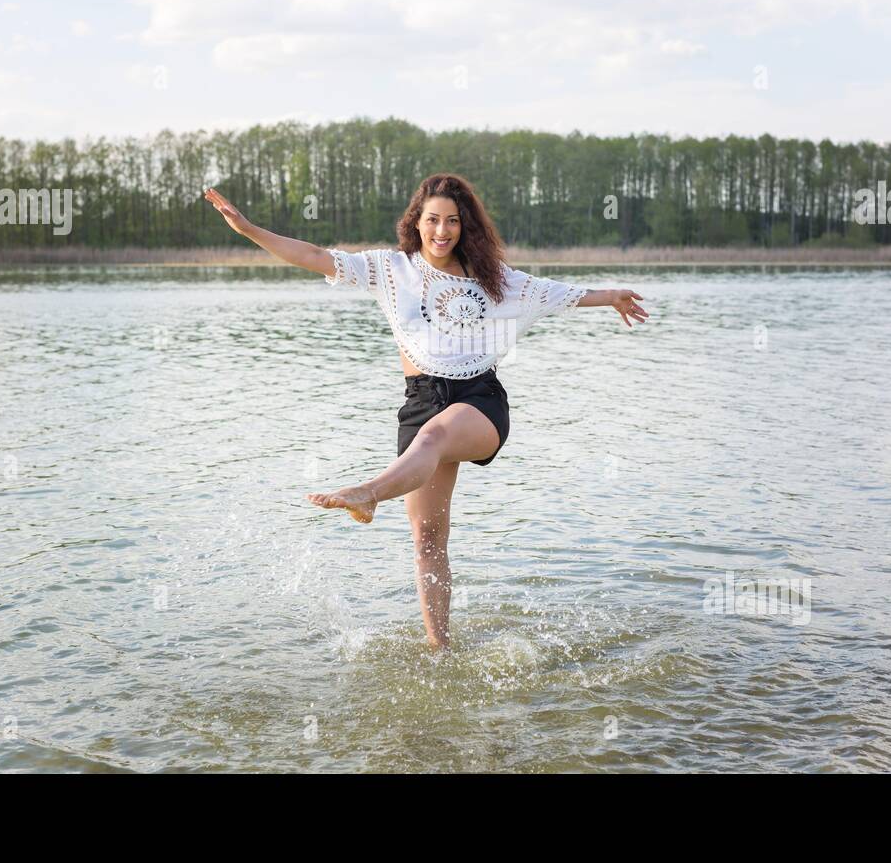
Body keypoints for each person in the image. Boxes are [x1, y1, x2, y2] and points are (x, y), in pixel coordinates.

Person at [204, 173, 647, 648]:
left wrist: (610, 297)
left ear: (464, 226)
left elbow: (556, 294)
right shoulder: (391, 270)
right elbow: (314, 256)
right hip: (420, 403)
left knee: (434, 440)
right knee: (428, 538)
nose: (442, 230)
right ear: (416, 222)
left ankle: (369, 492)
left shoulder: (493, 279)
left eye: (453, 221)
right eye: (433, 220)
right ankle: (440, 646)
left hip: (478, 401)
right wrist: (249, 230)